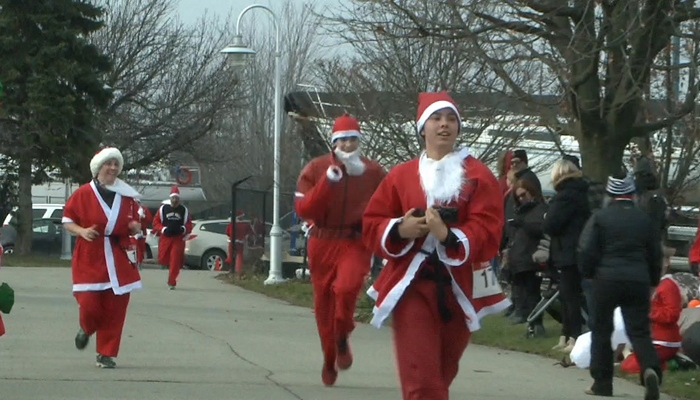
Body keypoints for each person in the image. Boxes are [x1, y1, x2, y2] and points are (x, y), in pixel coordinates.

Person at [362, 91, 509, 400]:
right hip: (412, 285)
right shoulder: (401, 176)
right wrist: (401, 228)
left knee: (442, 371)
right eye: (436, 118)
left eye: (451, 118)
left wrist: (449, 236)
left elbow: (490, 227)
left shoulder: (479, 176)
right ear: (422, 127)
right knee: (421, 377)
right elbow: (372, 222)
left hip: (460, 287)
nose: (444, 125)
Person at [294, 112, 386, 386]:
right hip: (322, 241)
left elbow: (388, 203)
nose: (348, 145)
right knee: (323, 307)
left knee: (346, 288)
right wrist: (328, 182)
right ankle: (329, 356)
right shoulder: (317, 168)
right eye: (343, 140)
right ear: (334, 142)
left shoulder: (373, 172)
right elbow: (304, 208)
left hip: (354, 241)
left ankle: (343, 333)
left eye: (353, 140)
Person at [578, 174, 663, 399]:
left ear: (610, 196)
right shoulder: (644, 219)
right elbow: (656, 254)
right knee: (640, 330)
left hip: (605, 280)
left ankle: (602, 383)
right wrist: (653, 280)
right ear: (632, 196)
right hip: (637, 280)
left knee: (601, 331)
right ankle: (650, 369)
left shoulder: (600, 217)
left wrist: (588, 273)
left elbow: (586, 250)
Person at [61, 147, 143, 368]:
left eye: (117, 164)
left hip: (119, 256)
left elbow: (134, 221)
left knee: (116, 308)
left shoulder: (127, 195)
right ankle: (86, 328)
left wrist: (135, 227)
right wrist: (81, 231)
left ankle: (106, 353)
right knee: (89, 304)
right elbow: (67, 220)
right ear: (98, 167)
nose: (113, 168)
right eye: (109, 164)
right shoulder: (83, 193)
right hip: (90, 253)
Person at [543, 158, 590, 352]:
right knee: (571, 295)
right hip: (579, 250)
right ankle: (567, 335)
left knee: (569, 297)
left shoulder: (564, 197)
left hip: (567, 251)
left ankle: (573, 336)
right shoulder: (582, 193)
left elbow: (550, 224)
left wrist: (547, 217)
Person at [506, 178, 547, 334]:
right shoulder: (520, 211)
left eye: (524, 195)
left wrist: (521, 223)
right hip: (519, 257)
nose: (522, 199)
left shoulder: (540, 209)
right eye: (519, 197)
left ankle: (536, 324)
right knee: (523, 293)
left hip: (532, 257)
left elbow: (542, 228)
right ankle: (529, 323)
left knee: (533, 293)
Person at [152, 186, 192, 289]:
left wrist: (183, 229)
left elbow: (188, 224)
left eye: (176, 198)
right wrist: (163, 229)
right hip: (166, 237)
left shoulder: (183, 210)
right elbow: (155, 222)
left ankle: (172, 281)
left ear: (179, 199)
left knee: (175, 259)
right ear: (170, 198)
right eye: (173, 198)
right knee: (163, 258)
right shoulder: (163, 209)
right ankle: (168, 270)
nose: (175, 200)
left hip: (177, 238)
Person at [130, 199, 152, 269]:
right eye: (135, 202)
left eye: (138, 202)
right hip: (133, 232)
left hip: (142, 232)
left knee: (141, 248)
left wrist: (144, 216)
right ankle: (135, 262)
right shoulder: (130, 208)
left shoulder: (144, 209)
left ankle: (140, 262)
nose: (137, 204)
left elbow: (150, 219)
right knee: (135, 247)